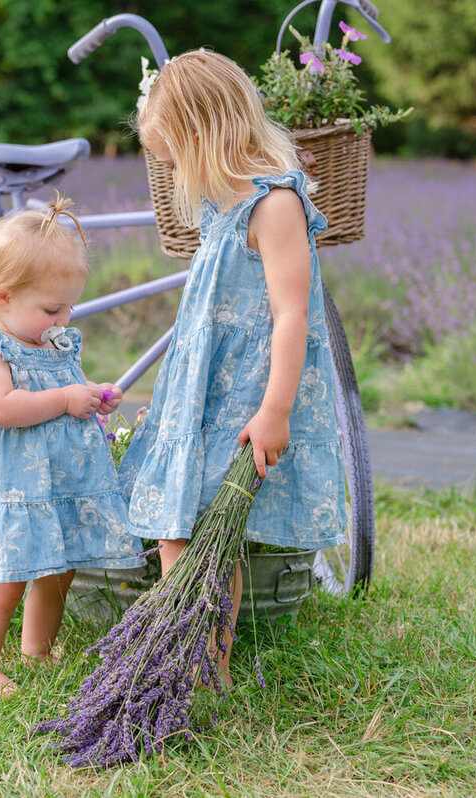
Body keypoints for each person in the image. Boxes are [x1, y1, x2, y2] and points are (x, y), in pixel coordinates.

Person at [120, 50, 348, 682]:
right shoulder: (222, 206)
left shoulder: (275, 206)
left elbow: (292, 315)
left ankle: (205, 665)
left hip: (246, 396)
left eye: (171, 157)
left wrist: (275, 410)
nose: (170, 174)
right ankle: (183, 655)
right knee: (179, 526)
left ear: (203, 136)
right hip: (202, 390)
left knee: (206, 534)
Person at [0, 196, 142, 696]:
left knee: (58, 573)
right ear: (2, 297)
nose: (63, 317)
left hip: (58, 485)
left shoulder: (56, 343)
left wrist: (92, 398)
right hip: (13, 490)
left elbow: (68, 395)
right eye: (51, 308)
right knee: (4, 582)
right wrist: (65, 398)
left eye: (69, 306)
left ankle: (37, 649)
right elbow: (1, 406)